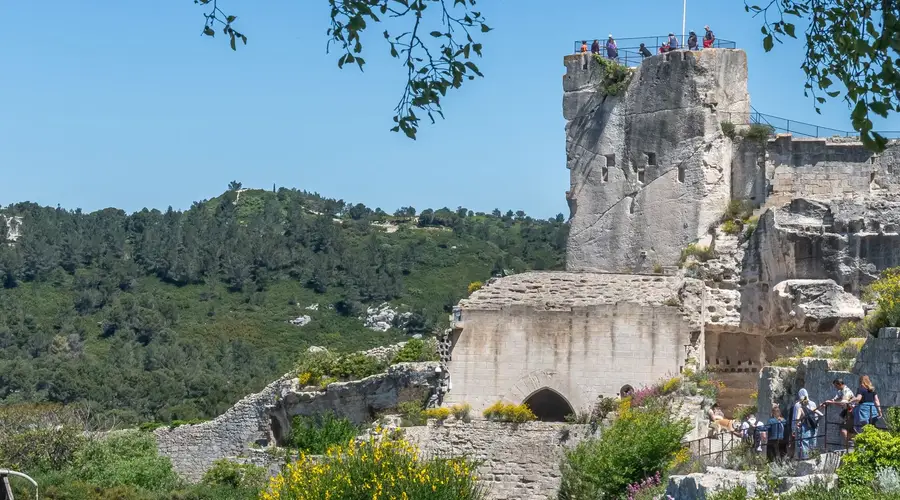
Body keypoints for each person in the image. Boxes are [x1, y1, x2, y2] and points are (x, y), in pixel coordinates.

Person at [820, 378, 855, 449]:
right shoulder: (840, 391)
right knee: (848, 430)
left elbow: (843, 402)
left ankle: (849, 446)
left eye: (836, 386)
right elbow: (835, 399)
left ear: (840, 384)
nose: (836, 388)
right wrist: (827, 402)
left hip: (851, 411)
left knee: (844, 430)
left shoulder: (846, 391)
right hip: (846, 412)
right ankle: (850, 445)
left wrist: (832, 402)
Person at [793, 388, 821, 460]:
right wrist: (816, 423)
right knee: (812, 441)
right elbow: (819, 415)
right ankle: (813, 457)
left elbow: (796, 418)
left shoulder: (798, 405)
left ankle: (804, 458)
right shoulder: (813, 404)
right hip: (813, 426)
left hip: (804, 426)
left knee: (803, 442)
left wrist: (794, 428)